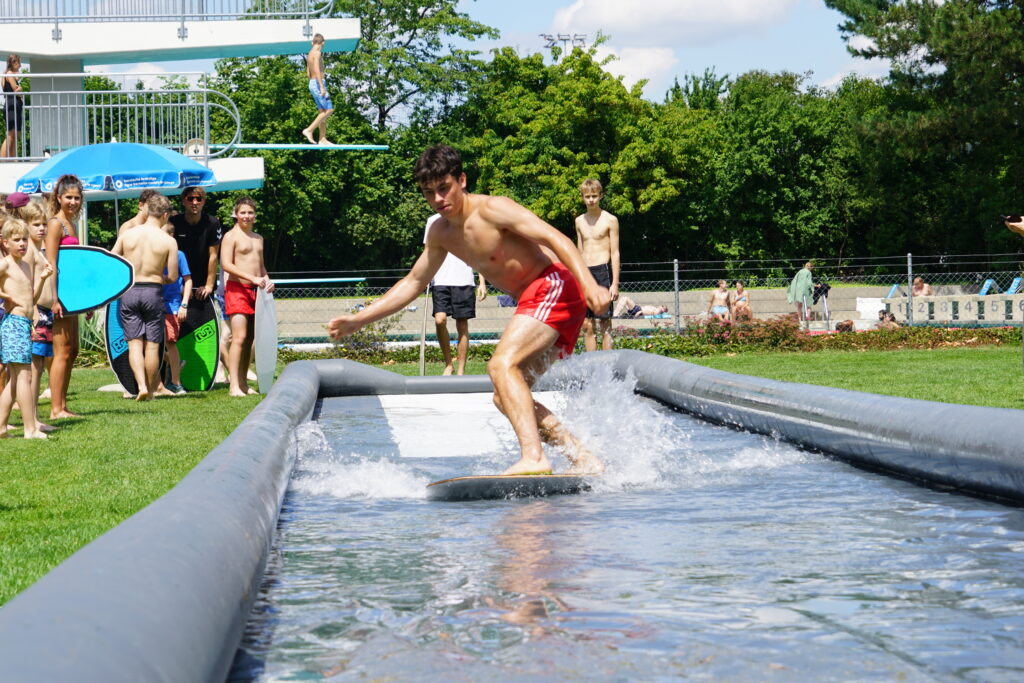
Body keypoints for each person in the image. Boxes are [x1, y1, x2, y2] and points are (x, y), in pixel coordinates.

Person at [328, 145, 610, 476]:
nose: (437, 199)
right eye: (428, 193)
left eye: (443, 188)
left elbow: (556, 238)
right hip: (539, 299)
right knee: (506, 396)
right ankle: (583, 457)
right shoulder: (441, 233)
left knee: (502, 366)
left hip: (554, 286)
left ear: (461, 180)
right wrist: (360, 319)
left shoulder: (493, 209)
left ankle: (533, 457)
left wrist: (590, 284)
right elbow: (414, 282)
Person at [111, 193, 179, 401]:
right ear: (166, 215)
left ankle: (140, 385)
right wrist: (161, 278)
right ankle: (150, 389)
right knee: (152, 345)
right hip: (153, 291)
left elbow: (113, 262)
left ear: (147, 210)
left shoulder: (128, 235)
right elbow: (174, 276)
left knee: (134, 343)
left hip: (130, 291)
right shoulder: (168, 241)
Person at [0, 218, 53, 438]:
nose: (22, 243)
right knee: (24, 376)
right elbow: (15, 296)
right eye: (16, 240)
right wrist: (5, 296)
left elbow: (31, 297)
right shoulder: (6, 264)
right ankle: (30, 428)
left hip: (23, 323)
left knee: (15, 379)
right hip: (12, 324)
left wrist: (42, 279)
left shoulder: (23, 265)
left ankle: (1, 427)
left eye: (24, 239)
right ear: (5, 243)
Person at [220, 196, 274, 397]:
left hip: (256, 292)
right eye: (243, 212)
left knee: (250, 339)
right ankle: (233, 385)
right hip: (237, 289)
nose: (246, 216)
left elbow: (261, 267)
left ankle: (243, 383)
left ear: (255, 215)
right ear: (236, 214)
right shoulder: (230, 236)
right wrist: (252, 277)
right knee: (239, 337)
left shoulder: (258, 238)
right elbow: (226, 265)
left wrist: (267, 280)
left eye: (250, 212)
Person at [424, 213, 487, 375]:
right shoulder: (433, 221)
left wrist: (482, 281)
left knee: (462, 325)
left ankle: (460, 370)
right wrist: (425, 275)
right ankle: (448, 364)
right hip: (440, 279)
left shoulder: (468, 219)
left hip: (464, 280)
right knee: (440, 320)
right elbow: (428, 251)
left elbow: (477, 251)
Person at [44, 174, 84, 419]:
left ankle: (63, 404)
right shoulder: (55, 224)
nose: (73, 202)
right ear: (59, 198)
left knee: (73, 350)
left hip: (74, 296)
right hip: (60, 297)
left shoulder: (72, 224)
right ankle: (55, 409)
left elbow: (77, 264)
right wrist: (54, 298)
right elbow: (51, 264)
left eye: (77, 198)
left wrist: (88, 300)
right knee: (61, 351)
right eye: (68, 197)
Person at [19, 199, 55, 427]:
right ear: (25, 225)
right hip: (36, 314)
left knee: (38, 368)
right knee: (32, 369)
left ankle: (35, 418)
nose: (41, 228)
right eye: (35, 224)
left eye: (43, 224)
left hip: (45, 314)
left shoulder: (38, 250)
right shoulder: (29, 251)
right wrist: (32, 313)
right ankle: (31, 420)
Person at [574, 178, 619, 351]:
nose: (591, 200)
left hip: (603, 271)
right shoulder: (579, 221)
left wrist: (614, 283)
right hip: (585, 273)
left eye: (594, 196)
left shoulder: (610, 220)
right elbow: (579, 252)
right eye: (587, 196)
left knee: (605, 323)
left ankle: (607, 367)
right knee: (587, 324)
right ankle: (591, 366)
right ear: (583, 198)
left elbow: (615, 253)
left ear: (600, 196)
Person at [155, 217, 192, 396]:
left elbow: (188, 280)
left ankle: (176, 383)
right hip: (153, 303)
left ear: (173, 236)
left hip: (172, 305)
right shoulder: (152, 253)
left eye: (168, 235)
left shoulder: (179, 255)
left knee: (170, 342)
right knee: (151, 343)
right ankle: (170, 366)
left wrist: (184, 304)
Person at [170, 186, 221, 303]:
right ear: (183, 201)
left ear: (204, 201)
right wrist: (179, 286)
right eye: (190, 198)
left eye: (199, 199)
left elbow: (213, 256)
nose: (194, 202)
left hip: (203, 286)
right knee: (180, 321)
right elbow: (169, 256)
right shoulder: (174, 223)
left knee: (207, 322)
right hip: (179, 285)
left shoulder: (212, 223)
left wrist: (208, 286)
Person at [301, 34, 333, 145]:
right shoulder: (317, 53)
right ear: (322, 43)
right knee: (329, 110)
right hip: (318, 84)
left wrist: (314, 83)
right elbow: (316, 69)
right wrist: (322, 86)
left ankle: (322, 139)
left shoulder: (309, 53)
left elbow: (308, 72)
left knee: (322, 112)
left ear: (312, 42)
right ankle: (309, 130)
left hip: (312, 83)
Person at [1, 54, 24, 159]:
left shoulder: (5, 74)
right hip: (12, 104)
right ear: (14, 62)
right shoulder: (9, 74)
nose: (20, 65)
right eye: (18, 62)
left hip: (12, 104)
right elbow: (16, 90)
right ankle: (4, 158)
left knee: (14, 135)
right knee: (11, 134)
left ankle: (12, 158)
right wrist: (20, 89)